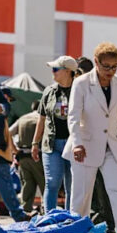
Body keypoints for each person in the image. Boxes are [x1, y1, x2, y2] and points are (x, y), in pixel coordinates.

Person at [63, 42, 117, 233]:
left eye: (114, 66)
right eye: (106, 66)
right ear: (96, 62)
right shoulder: (82, 83)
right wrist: (77, 143)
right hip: (84, 145)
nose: (110, 71)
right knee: (82, 195)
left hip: (113, 144)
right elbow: (74, 116)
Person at [31, 56, 78, 212]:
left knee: (73, 186)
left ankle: (70, 220)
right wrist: (34, 143)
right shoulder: (49, 91)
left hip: (74, 145)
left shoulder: (80, 90)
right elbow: (42, 119)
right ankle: (49, 219)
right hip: (51, 144)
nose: (53, 72)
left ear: (68, 71)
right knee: (51, 183)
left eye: (56, 69)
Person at [0, 81, 28, 222]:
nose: (8, 102)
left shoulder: (0, 114)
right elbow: (2, 135)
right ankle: (18, 215)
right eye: (8, 99)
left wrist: (14, 151)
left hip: (0, 152)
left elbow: (8, 135)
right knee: (6, 185)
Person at [10, 100, 45, 213]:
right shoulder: (42, 118)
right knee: (45, 185)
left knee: (27, 184)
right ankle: (47, 210)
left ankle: (25, 211)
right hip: (38, 155)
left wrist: (15, 150)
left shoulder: (23, 118)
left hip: (23, 156)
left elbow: (8, 133)